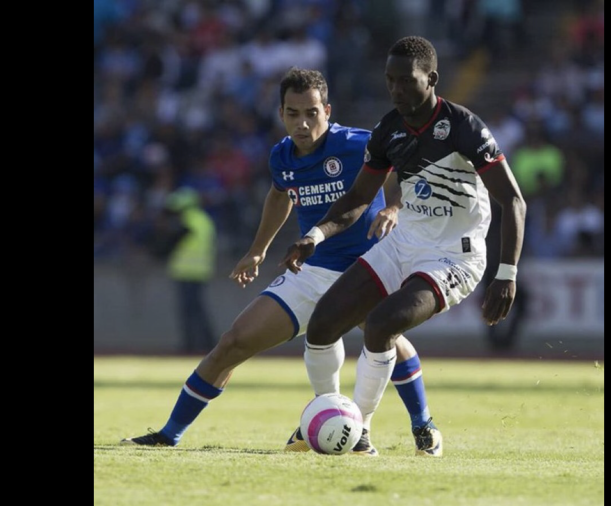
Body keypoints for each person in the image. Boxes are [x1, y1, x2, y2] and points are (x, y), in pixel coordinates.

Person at [122, 68, 439, 457]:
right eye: (293, 113)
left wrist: (394, 207)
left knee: (382, 334)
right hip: (313, 268)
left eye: (311, 113)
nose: (302, 123)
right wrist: (258, 249)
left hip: (367, 268)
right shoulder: (282, 155)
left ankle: (422, 425)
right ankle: (169, 434)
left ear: (327, 111)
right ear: (281, 114)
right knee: (234, 342)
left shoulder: (358, 144)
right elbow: (280, 194)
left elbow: (418, 169)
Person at [280, 36, 527, 456]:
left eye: (406, 80)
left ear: (431, 79)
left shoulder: (463, 127)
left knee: (381, 324)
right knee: (322, 324)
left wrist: (506, 274)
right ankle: (329, 416)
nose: (396, 89)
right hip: (404, 243)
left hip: (455, 256)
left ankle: (358, 431)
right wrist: (315, 235)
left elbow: (513, 200)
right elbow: (359, 197)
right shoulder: (388, 130)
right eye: (390, 80)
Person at [163, 187, 218, 353]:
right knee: (198, 310)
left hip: (186, 272)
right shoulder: (204, 220)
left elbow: (170, 242)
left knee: (189, 311)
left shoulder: (188, 220)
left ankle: (190, 345)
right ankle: (208, 343)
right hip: (201, 271)